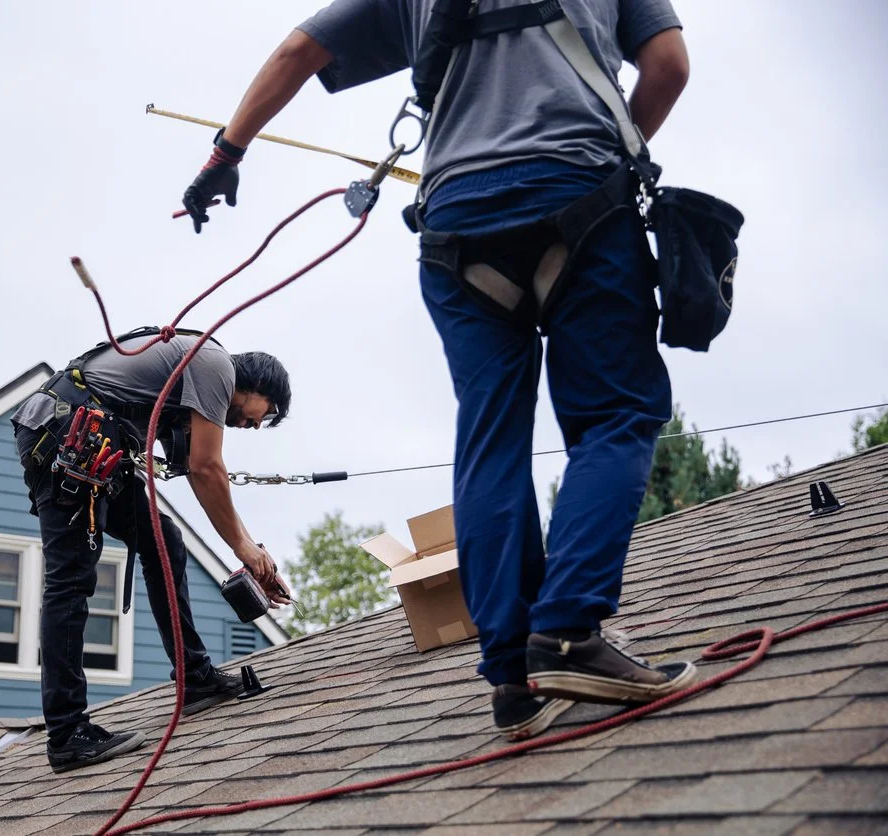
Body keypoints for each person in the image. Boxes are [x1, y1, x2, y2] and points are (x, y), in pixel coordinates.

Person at [182, 0, 697, 741]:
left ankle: (513, 677)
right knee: (616, 415)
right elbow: (668, 64)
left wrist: (223, 156)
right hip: (582, 199)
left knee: (490, 436)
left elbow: (299, 50)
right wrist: (610, 153)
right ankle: (566, 634)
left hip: (459, 227)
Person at [12, 330, 292, 772]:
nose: (256, 425)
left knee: (163, 539)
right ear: (258, 384)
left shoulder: (192, 385)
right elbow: (206, 467)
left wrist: (251, 550)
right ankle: (67, 733)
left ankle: (194, 678)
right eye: (265, 414)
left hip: (94, 442)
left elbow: (201, 469)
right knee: (70, 579)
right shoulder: (215, 364)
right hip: (70, 433)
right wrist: (244, 548)